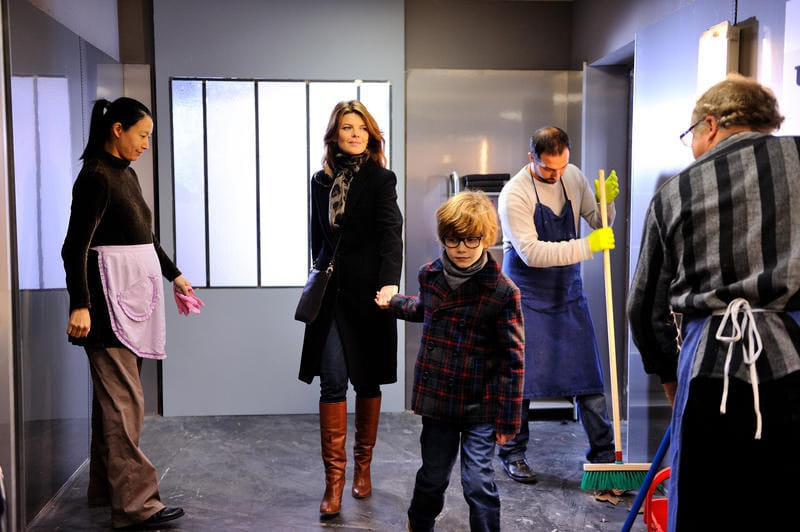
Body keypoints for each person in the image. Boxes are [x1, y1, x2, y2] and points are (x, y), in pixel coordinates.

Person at [628, 74, 800, 531]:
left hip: (708, 368)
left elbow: (642, 307)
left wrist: (669, 377)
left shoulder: (675, 192)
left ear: (710, 124)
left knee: (703, 505)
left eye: (691, 135)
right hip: (794, 361)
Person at [61, 97, 194, 528]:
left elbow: (145, 238)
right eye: (142, 135)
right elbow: (74, 247)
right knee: (125, 404)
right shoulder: (96, 177)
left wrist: (174, 275)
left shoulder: (126, 174)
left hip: (132, 302)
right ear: (117, 129)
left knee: (113, 403)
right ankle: (136, 505)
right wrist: (80, 304)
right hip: (105, 308)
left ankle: (105, 489)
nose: (145, 145)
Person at [377, 190, 524, 532]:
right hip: (439, 399)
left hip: (481, 405)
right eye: (453, 239)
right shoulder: (429, 275)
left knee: (478, 483)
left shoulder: (503, 292)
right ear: (443, 237)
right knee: (433, 477)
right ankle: (419, 523)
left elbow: (513, 360)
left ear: (486, 238)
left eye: (472, 239)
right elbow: (425, 309)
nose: (462, 248)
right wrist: (393, 303)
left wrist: (508, 421)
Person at [298, 100, 403, 518]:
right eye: (347, 127)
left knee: (367, 380)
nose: (355, 134)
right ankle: (334, 482)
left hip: (370, 294)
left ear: (371, 135)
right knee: (332, 382)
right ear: (335, 135)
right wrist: (320, 271)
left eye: (361, 128)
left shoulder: (381, 178)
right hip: (331, 295)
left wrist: (390, 282)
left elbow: (391, 233)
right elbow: (316, 237)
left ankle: (363, 467)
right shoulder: (320, 181)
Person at [496, 126, 619, 482]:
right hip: (527, 296)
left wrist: (605, 203)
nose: (556, 174)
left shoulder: (573, 176)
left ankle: (604, 456)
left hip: (567, 293)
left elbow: (598, 222)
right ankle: (513, 453)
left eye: (562, 166)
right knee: (522, 379)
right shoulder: (514, 193)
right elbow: (532, 253)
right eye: (548, 168)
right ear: (531, 158)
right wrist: (588, 246)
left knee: (588, 377)